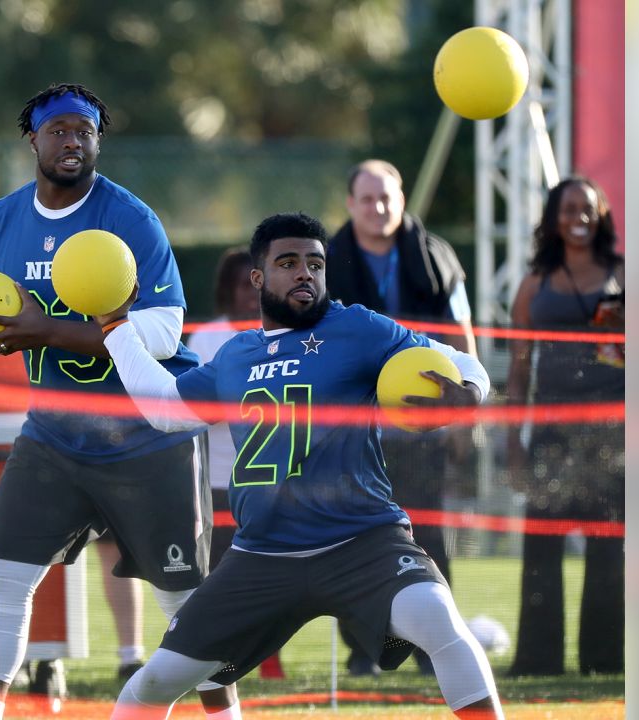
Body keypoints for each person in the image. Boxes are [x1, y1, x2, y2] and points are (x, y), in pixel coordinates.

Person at [98, 212, 503, 719]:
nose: (305, 273)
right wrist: (116, 328)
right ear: (258, 277)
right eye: (288, 263)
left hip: (363, 541)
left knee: (439, 620)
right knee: (152, 682)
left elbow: (464, 362)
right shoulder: (236, 355)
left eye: (315, 263)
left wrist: (467, 394)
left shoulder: (357, 326)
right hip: (261, 554)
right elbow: (165, 410)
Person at [0, 82, 240, 720]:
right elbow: (0, 305)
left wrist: (44, 329)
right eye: (60, 131)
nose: (73, 142)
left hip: (146, 438)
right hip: (53, 433)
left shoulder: (129, 217)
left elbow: (164, 331)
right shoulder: (3, 218)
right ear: (34, 139)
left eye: (85, 131)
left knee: (185, 605)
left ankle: (226, 716)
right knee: (2, 586)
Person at [325, 159, 476, 675]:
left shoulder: (437, 256)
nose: (378, 207)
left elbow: (461, 334)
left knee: (427, 534)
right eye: (367, 199)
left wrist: (465, 418)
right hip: (351, 428)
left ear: (402, 199)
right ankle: (364, 649)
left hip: (424, 425)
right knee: (352, 536)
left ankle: (440, 648)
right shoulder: (326, 261)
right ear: (350, 204)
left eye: (387, 197)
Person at [506, 177, 625, 676]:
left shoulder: (623, 275)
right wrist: (513, 441)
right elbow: (517, 369)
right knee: (542, 547)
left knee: (609, 548)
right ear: (553, 217)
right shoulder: (534, 283)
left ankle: (603, 658)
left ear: (600, 216)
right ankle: (538, 660)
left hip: (614, 435)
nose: (577, 217)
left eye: (587, 208)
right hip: (551, 435)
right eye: (567, 208)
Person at [183, 248, 281, 680]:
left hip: (276, 481)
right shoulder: (206, 339)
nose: (251, 294)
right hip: (220, 482)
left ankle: (271, 661)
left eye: (257, 283)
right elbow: (192, 404)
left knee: (275, 578)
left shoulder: (288, 335)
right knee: (222, 581)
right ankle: (222, 660)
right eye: (244, 285)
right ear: (227, 289)